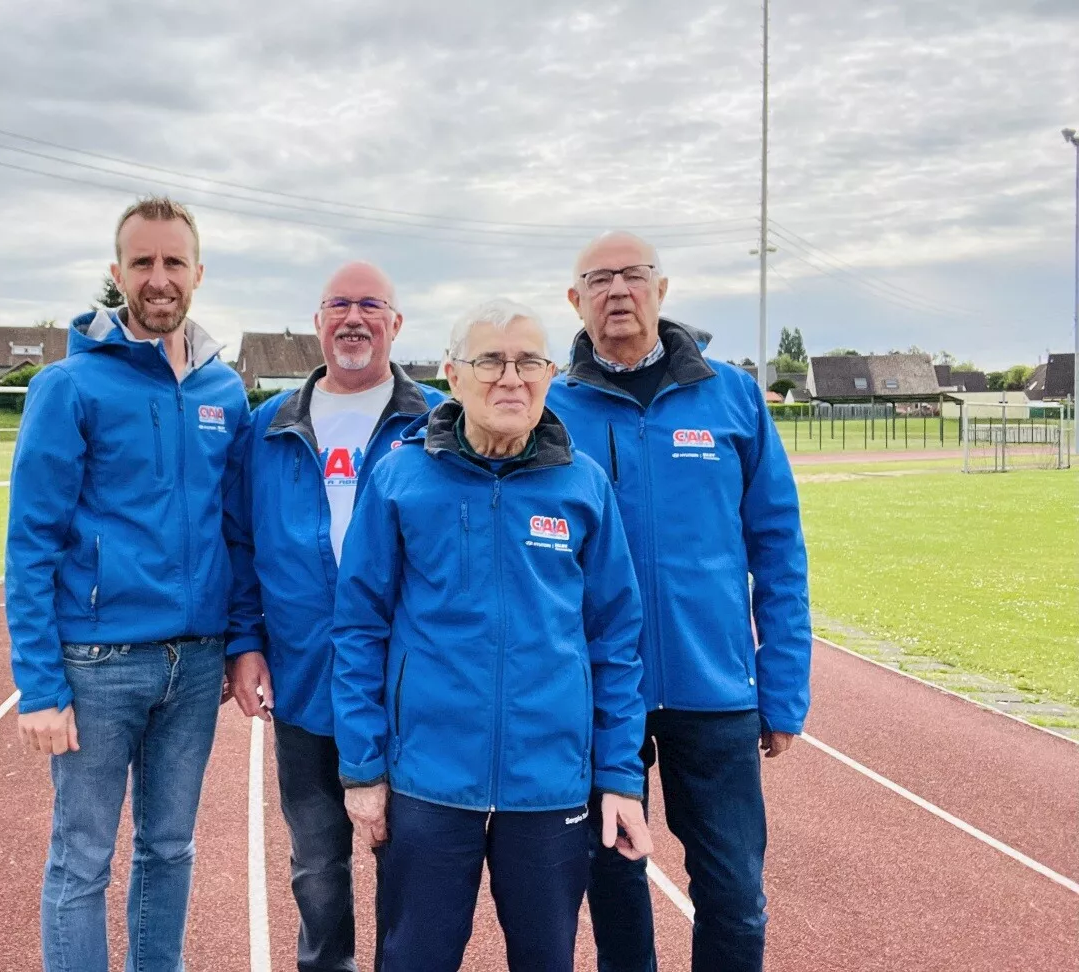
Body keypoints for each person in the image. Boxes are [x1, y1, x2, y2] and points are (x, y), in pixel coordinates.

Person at [331, 298, 654, 972]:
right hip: (428, 778)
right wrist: (363, 768)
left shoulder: (584, 487)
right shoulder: (398, 477)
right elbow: (359, 627)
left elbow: (615, 640)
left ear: (551, 372)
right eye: (490, 361)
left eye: (530, 361)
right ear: (452, 373)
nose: (511, 378)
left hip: (551, 783)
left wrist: (620, 775)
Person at [546, 232, 811, 972]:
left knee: (733, 893)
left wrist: (783, 686)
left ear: (662, 290)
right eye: (598, 279)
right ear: (576, 300)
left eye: (634, 275)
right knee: (614, 882)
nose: (618, 291)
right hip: (597, 688)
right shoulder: (551, 407)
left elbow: (779, 550)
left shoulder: (732, 396)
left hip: (714, 688)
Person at [6, 196, 256, 972]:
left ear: (198, 273)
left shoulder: (225, 393)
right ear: (117, 275)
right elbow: (30, 541)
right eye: (142, 263)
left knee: (171, 849)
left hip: (195, 667)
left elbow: (236, 533)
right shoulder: (69, 386)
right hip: (97, 665)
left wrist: (240, 642)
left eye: (173, 262)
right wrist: (39, 684)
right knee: (81, 861)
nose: (158, 278)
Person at [228, 262, 446, 972]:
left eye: (371, 305)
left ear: (396, 322)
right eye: (338, 306)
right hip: (304, 679)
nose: (354, 319)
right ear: (318, 322)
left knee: (406, 864)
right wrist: (246, 642)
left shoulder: (441, 422)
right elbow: (239, 541)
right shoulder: (267, 428)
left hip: (405, 685)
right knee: (317, 866)